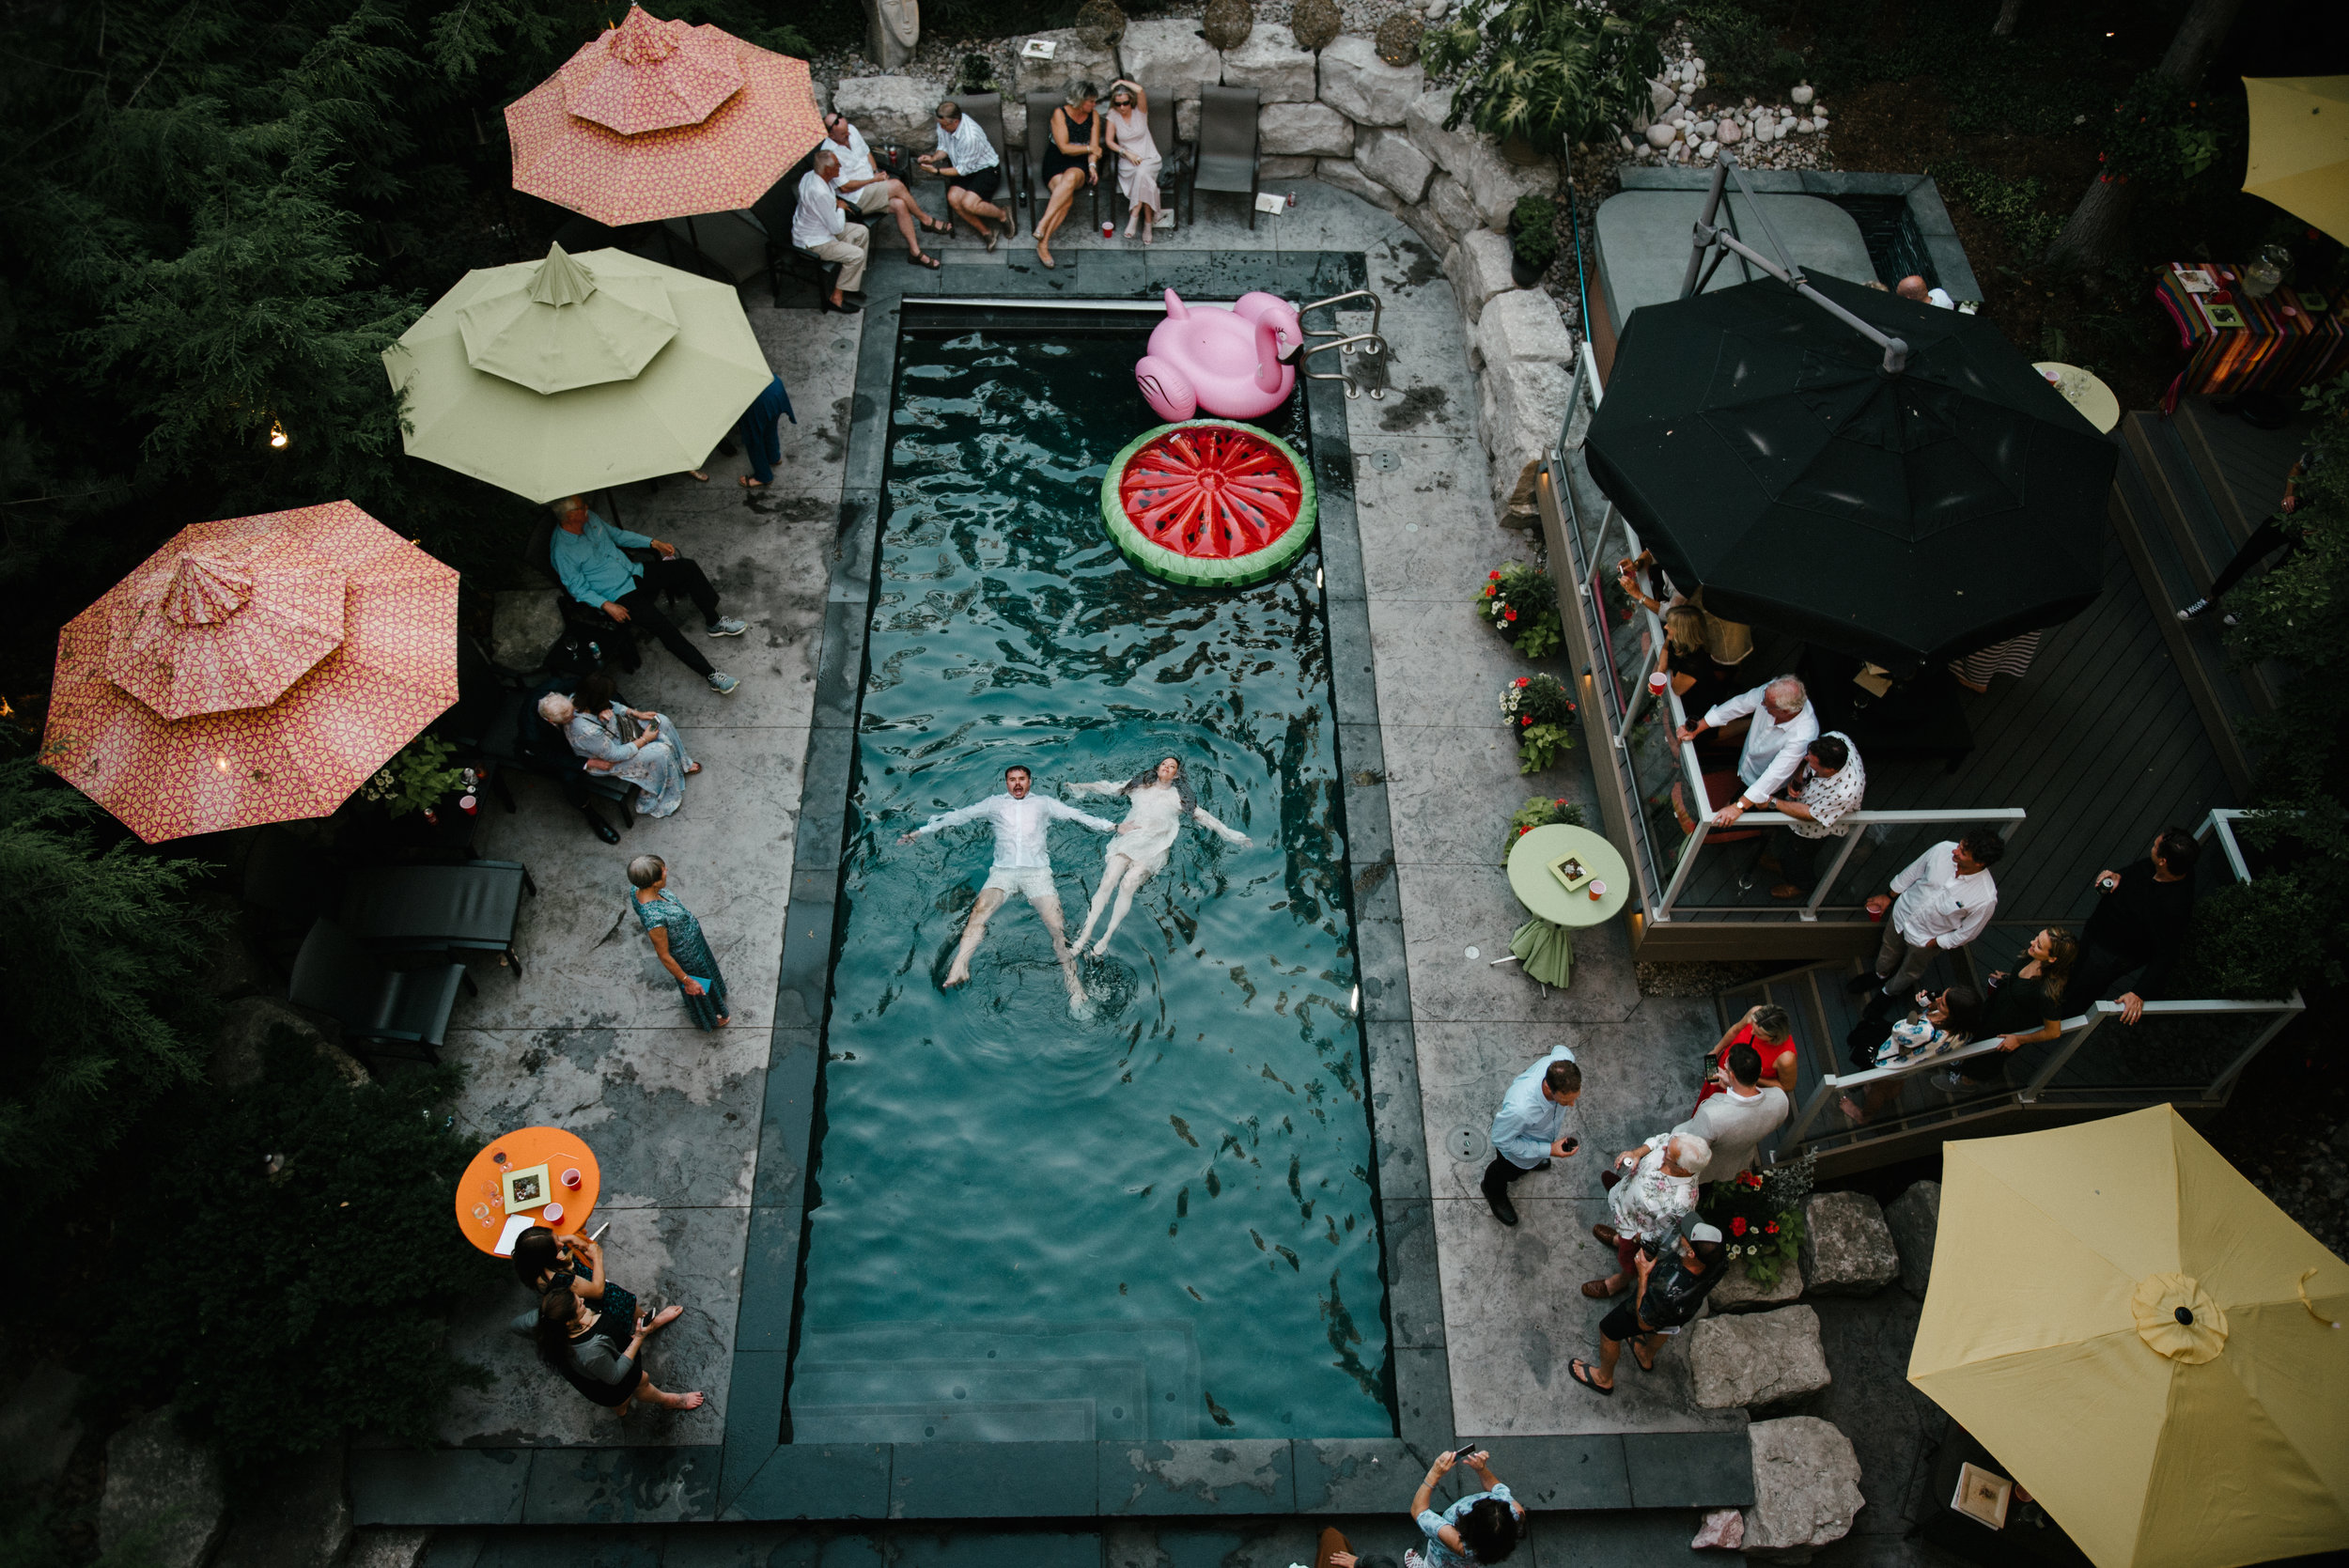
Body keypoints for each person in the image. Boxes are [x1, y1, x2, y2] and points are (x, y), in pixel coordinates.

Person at [898, 764, 1128, 1013]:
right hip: (1003, 874)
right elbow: (959, 815)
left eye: (1021, 779)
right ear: (1006, 783)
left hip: (1037, 875)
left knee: (1058, 932)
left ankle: (1075, 989)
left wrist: (1113, 827)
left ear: (1030, 781)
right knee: (978, 913)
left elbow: (1077, 815)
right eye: (1012, 780)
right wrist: (919, 832)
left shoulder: (1044, 804)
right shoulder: (994, 804)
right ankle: (961, 965)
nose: (1017, 784)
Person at [549, 497, 744, 695]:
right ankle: (711, 675)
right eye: (582, 507)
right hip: (619, 594)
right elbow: (577, 589)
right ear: (570, 515)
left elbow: (618, 535)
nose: (587, 508)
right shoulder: (562, 551)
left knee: (688, 567)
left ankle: (714, 621)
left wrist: (653, 543)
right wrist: (606, 605)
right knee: (664, 628)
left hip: (635, 572)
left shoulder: (590, 518)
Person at [1065, 757, 1250, 956]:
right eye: (1164, 764)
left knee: (1128, 884)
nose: (1166, 767)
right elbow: (1108, 787)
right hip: (1130, 840)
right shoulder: (1139, 787)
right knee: (1108, 882)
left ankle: (1106, 937)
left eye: (1172, 767)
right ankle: (1084, 936)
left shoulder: (1179, 798)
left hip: (1154, 848)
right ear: (1157, 768)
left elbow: (1207, 819)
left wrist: (1234, 837)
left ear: (1176, 774)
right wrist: (1080, 787)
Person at [1846, 831, 2003, 1013]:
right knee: (1889, 947)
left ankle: (1888, 992)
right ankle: (1880, 974)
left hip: (1927, 938)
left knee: (1911, 969)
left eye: (1963, 852)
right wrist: (1888, 896)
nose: (1955, 851)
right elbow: (1912, 872)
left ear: (1979, 863)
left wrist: (1936, 942)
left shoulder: (1985, 898)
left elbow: (1968, 932)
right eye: (1960, 844)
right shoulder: (1942, 849)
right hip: (1902, 915)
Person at [1568, 1221, 1728, 1396]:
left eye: (1686, 1237)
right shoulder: (1718, 1262)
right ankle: (1645, 1356)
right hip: (1682, 1312)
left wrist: (1643, 1274)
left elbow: (1644, 1322)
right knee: (1667, 1327)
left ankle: (1603, 1379)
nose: (1681, 1235)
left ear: (1691, 1253)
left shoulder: (1668, 1288)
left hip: (1653, 1307)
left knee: (1608, 1330)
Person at [2063, 830, 2198, 1024]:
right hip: (2096, 932)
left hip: (2111, 955)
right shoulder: (2161, 867)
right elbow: (2133, 874)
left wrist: (2139, 992)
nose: (2151, 848)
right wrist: (2117, 876)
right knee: (2072, 970)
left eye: (2154, 847)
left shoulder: (2174, 907)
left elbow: (2168, 952)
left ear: (2163, 861)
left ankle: (2055, 1023)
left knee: (2081, 989)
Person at [2178, 446, 2323, 626]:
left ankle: (2248, 609)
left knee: (2281, 572)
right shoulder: (2328, 449)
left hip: (2317, 533)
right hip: (2294, 514)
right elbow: (2297, 468)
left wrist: (2323, 529)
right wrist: (2289, 495)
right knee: (2246, 555)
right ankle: (2210, 599)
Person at [541, 675, 698, 818]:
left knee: (660, 720)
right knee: (660, 751)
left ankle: (682, 763)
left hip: (615, 734)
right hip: (608, 759)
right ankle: (660, 792)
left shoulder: (575, 700)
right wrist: (644, 739)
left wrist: (636, 714)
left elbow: (612, 705)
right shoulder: (584, 730)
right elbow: (614, 755)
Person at [533, 1286, 704, 1415]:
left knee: (620, 1404)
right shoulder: (590, 1351)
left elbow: (518, 1324)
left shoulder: (549, 1322)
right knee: (642, 1380)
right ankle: (672, 1401)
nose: (583, 1301)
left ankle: (621, 1408)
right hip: (612, 1378)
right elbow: (615, 1376)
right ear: (568, 1322)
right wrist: (639, 1337)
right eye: (579, 1304)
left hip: (595, 1376)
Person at [1946, 927, 2077, 1090]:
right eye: (2037, 938)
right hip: (1997, 1007)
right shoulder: (2033, 956)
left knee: (1986, 1057)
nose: (2032, 942)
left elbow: (2053, 1031)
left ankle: (1967, 1080)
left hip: (2008, 1025)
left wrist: (2019, 1039)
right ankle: (1964, 1058)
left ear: (2052, 959)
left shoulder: (2047, 993)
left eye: (2039, 945)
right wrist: (2008, 978)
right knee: (1976, 1032)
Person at [1582, 1132, 1708, 1299]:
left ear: (1681, 1169)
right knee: (1623, 1240)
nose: (1664, 1148)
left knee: (1630, 1259)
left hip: (1635, 1230)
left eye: (1668, 1152)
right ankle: (1618, 1239)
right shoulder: (1677, 1143)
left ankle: (1619, 1282)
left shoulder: (1680, 1204)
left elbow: (1661, 1238)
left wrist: (1636, 1238)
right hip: (1624, 1200)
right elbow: (1658, 1140)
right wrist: (1636, 1153)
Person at [1676, 675, 1820, 821]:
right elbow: (1739, 704)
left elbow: (1774, 775)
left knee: (1728, 816)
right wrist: (1698, 727)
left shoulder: (1803, 735)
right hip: (1746, 756)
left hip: (1762, 781)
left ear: (1785, 711)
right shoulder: (1771, 691)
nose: (1761, 703)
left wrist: (1738, 806)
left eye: (1766, 705)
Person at [1740, 732, 1865, 899]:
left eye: (1812, 762)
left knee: (1799, 855)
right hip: (1804, 799)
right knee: (1788, 847)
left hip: (1814, 828)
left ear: (1829, 770)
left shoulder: (1844, 791)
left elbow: (1810, 814)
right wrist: (1798, 777)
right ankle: (1783, 865)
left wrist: (1772, 802)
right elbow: (1803, 761)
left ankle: (1801, 885)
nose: (1806, 759)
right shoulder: (1835, 738)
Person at [821, 109, 949, 271]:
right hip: (856, 197)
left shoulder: (851, 130)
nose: (848, 135)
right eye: (843, 135)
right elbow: (845, 187)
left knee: (900, 204)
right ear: (832, 136)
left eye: (847, 132)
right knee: (896, 185)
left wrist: (876, 172)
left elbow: (867, 153)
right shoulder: (829, 153)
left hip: (873, 185)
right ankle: (925, 220)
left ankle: (915, 253)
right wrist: (874, 180)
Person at [1841, 985, 1981, 1124]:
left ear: (1953, 1014)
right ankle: (1891, 1092)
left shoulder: (1926, 1031)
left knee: (1878, 1090)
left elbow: (1899, 1030)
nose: (1937, 1000)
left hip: (1891, 1064)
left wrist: (1926, 1011)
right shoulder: (1963, 1032)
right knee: (1893, 1083)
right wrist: (1934, 1009)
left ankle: (1864, 1116)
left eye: (1942, 1004)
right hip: (1911, 1064)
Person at [1478, 1044, 1582, 1227]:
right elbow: (1501, 1140)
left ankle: (1531, 1162)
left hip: (1537, 1139)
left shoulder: (1564, 1060)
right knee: (1506, 1171)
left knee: (1529, 1163)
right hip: (1515, 1152)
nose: (1572, 1104)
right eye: (1567, 1101)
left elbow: (1561, 1048)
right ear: (1549, 1089)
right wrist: (1548, 1149)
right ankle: (1492, 1190)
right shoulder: (1521, 1110)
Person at [628, 854, 729, 1030]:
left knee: (709, 982)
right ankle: (713, 1017)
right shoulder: (654, 920)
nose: (666, 871)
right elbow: (664, 955)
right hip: (688, 957)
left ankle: (716, 997)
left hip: (695, 945)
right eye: (663, 871)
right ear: (654, 882)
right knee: (700, 989)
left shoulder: (636, 889)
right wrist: (687, 980)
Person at [1672, 1041, 1787, 1180]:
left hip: (1702, 1169)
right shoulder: (1780, 1099)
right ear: (1760, 1071)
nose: (1724, 1066)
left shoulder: (1711, 1115)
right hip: (1734, 1165)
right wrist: (1731, 1086)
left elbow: (1690, 1152)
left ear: (1732, 1075)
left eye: (1726, 1066)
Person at [1406, 1449, 1524, 1567]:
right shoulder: (1515, 1512)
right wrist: (1481, 1469)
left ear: (1471, 1523)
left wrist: (1434, 1473)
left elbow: (1418, 1510)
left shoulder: (1457, 1542)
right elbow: (1497, 1489)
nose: (1496, 1498)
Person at [918, 99, 1009, 251]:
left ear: (955, 122)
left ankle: (1003, 214)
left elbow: (962, 170)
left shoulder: (970, 137)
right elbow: (944, 147)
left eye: (944, 125)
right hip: (964, 167)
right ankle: (986, 232)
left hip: (986, 170)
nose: (941, 127)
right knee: (953, 198)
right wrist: (933, 158)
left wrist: (936, 171)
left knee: (968, 204)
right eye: (940, 124)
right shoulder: (944, 124)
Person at [1033, 80, 1102, 270]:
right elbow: (1064, 148)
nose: (1094, 105)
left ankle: (1042, 223)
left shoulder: (1093, 116)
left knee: (1070, 179)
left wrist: (1093, 165)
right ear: (1080, 101)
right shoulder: (1059, 114)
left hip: (1079, 164)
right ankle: (1043, 243)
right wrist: (1089, 147)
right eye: (1091, 101)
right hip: (1056, 160)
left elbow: (1094, 148)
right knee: (1067, 199)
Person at [791, 146, 866, 315]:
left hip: (819, 227)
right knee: (857, 255)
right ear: (827, 170)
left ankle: (850, 284)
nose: (840, 168)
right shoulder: (820, 193)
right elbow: (836, 227)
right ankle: (837, 298)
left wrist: (836, 207)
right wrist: (841, 207)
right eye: (837, 166)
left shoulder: (809, 176)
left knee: (862, 232)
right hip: (813, 242)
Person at [1695, 1003, 1797, 1106]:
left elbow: (1786, 1086)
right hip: (1723, 1069)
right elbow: (1735, 1030)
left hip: (1742, 1091)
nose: (1752, 1032)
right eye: (1752, 1026)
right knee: (1706, 1101)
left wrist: (1748, 1077)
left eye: (1759, 1034)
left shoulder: (1786, 1058)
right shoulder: (1756, 1012)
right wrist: (1716, 1050)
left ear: (1773, 1037)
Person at [1102, 79, 1162, 243]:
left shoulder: (1140, 111)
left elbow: (1141, 90)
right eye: (1118, 104)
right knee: (1144, 179)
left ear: (1131, 101)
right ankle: (1148, 223)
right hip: (1128, 163)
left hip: (1149, 158)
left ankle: (1134, 214)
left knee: (1143, 172)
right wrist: (1126, 152)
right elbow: (1109, 141)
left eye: (1125, 103)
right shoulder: (1113, 115)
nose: (1122, 107)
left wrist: (1121, 81)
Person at [733, 373, 796, 490]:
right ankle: (774, 457)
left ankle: (763, 476)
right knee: (770, 427)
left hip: (758, 401)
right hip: (773, 385)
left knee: (753, 439)